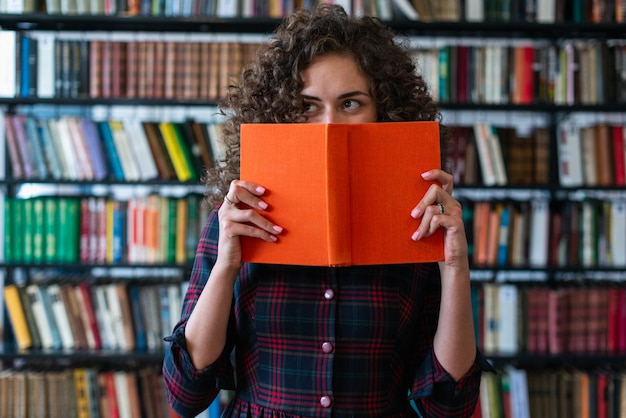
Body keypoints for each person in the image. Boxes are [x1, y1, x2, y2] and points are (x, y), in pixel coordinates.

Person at [163, 4, 492, 417]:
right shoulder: (237, 218)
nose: (329, 125)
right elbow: (185, 394)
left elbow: (450, 407)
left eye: (351, 104)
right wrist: (226, 265)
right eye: (308, 106)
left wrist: (455, 266)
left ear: (384, 112)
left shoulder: (420, 222)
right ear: (279, 114)